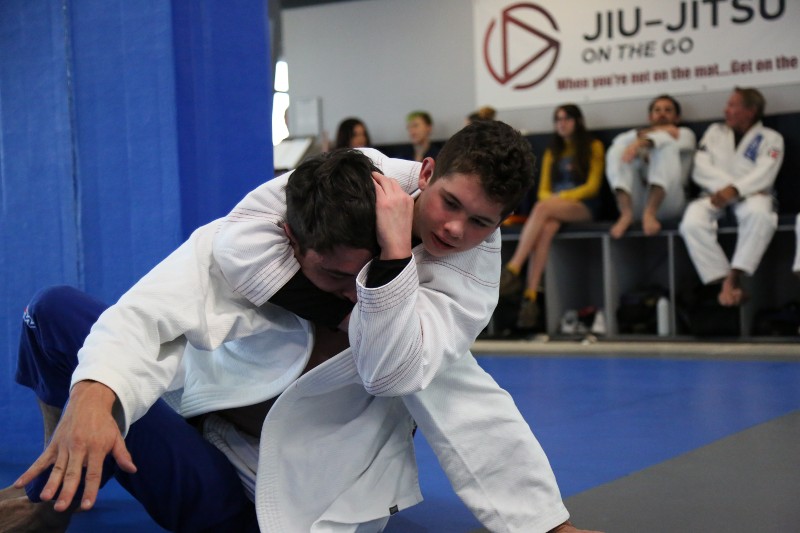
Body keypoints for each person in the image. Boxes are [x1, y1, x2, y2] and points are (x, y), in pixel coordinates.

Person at [6, 123, 596, 532]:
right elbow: (215, 254)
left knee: (415, 365)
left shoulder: (447, 297)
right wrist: (94, 393)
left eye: (481, 222)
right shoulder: (337, 192)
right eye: (448, 204)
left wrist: (547, 522)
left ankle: (56, 495)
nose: (454, 230)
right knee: (56, 312)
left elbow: (460, 401)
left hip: (269, 503)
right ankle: (67, 471)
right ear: (426, 171)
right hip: (213, 428)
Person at [498, 104, 604, 330]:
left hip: (583, 207)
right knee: (547, 226)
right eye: (558, 119)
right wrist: (554, 200)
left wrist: (563, 197)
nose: (562, 123)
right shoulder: (552, 152)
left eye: (566, 119)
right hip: (555, 208)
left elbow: (593, 187)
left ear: (578, 121)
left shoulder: (593, 147)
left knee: (542, 209)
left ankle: (514, 268)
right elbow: (543, 190)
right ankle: (531, 294)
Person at [679, 87, 784, 307]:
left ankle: (734, 277)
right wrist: (726, 190)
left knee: (760, 216)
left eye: (732, 105)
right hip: (714, 193)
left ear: (750, 111)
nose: (725, 110)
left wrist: (736, 190)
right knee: (691, 222)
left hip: (753, 194)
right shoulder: (714, 132)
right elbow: (700, 167)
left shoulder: (771, 138)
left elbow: (766, 171)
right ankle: (724, 280)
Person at [606, 94, 696, 238]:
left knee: (667, 145)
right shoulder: (639, 135)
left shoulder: (685, 134)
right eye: (657, 110)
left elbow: (664, 139)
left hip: (670, 202)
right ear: (650, 117)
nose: (662, 114)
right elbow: (618, 141)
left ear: (677, 118)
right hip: (639, 201)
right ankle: (626, 213)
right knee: (616, 150)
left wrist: (640, 143)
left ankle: (650, 213)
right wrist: (639, 142)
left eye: (668, 110)